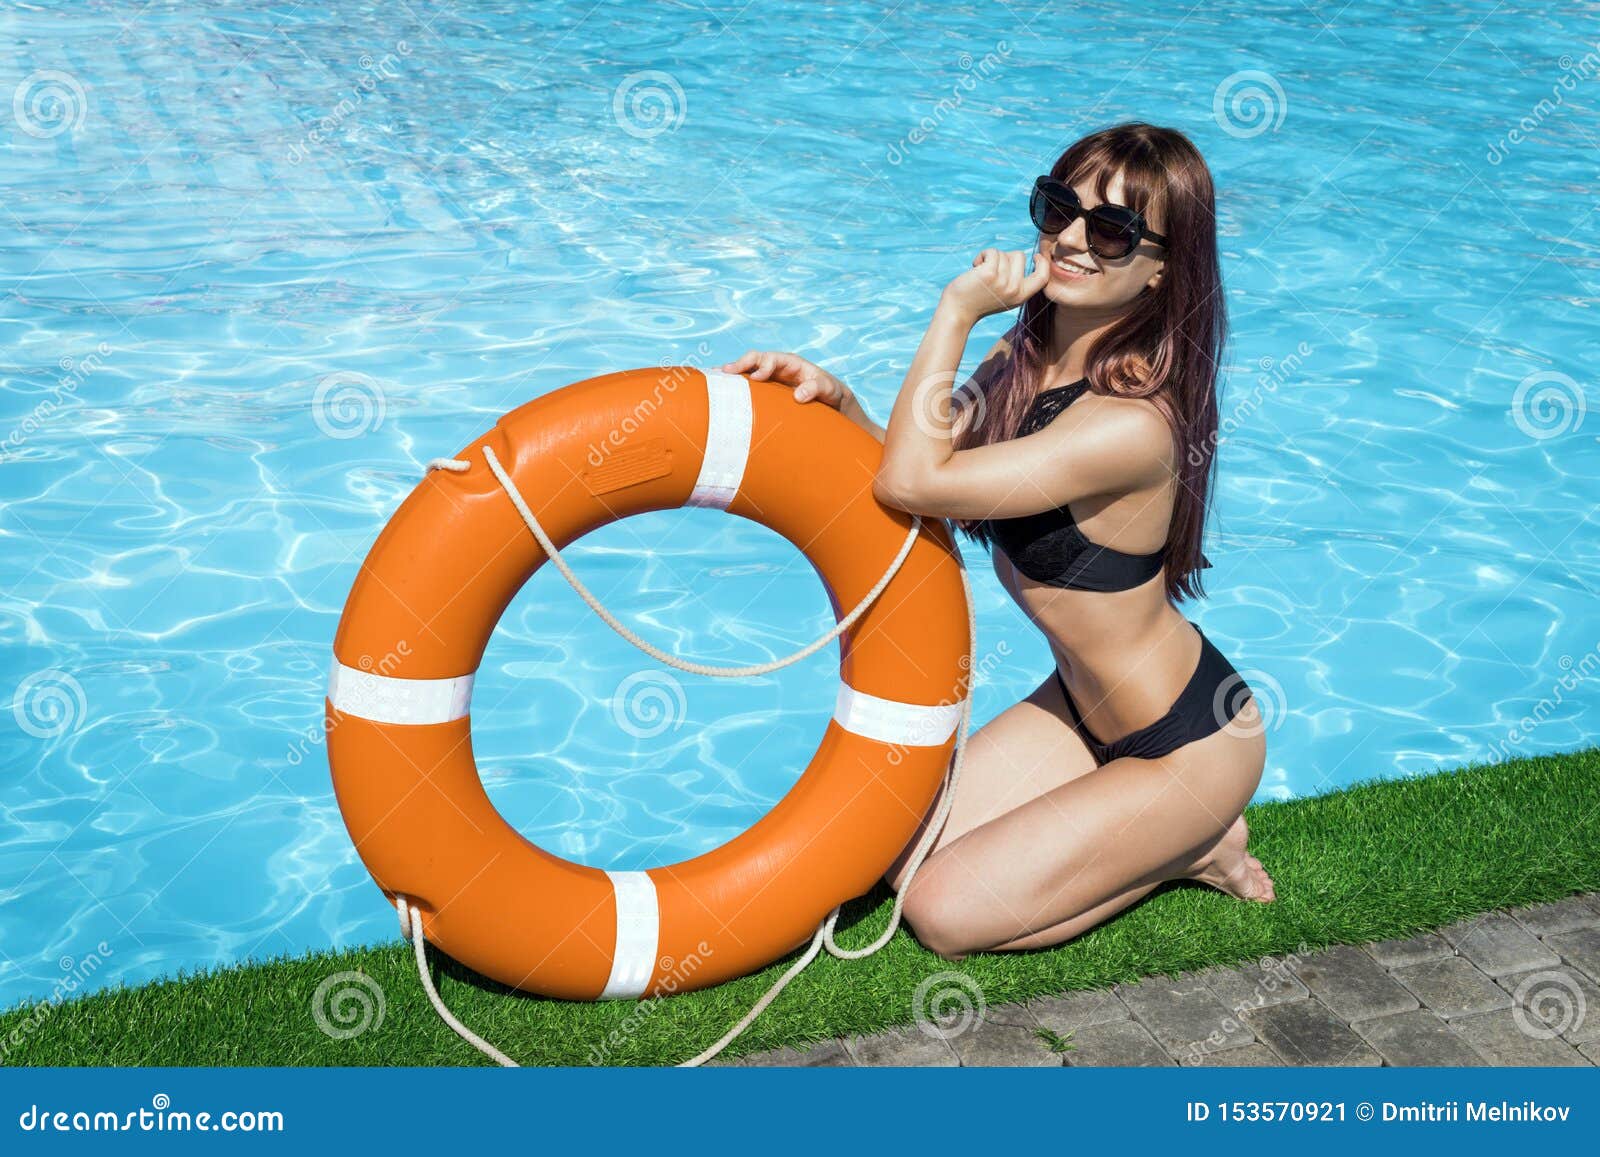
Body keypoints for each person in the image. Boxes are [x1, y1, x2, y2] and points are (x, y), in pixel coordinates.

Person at [721, 123, 1274, 962]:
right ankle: (1149, 828)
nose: (1074, 239)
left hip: (1189, 745)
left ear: (1162, 267)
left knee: (944, 914)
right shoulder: (1033, 352)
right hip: (1080, 712)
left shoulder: (1131, 426)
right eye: (1060, 208)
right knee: (896, 858)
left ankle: (1191, 845)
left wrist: (956, 308)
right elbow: (921, 465)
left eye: (1113, 229)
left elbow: (914, 484)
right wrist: (840, 406)